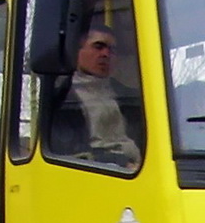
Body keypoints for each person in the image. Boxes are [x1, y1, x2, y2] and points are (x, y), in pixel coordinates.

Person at [47, 25, 144, 167]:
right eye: (98, 46)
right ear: (76, 51)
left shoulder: (130, 96)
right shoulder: (61, 99)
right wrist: (121, 163)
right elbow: (70, 155)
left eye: (112, 50)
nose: (106, 54)